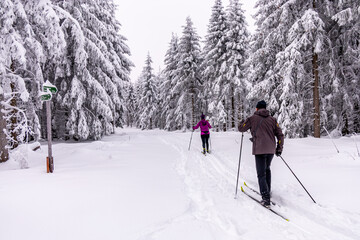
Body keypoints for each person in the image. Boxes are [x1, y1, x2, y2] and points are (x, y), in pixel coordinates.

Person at [238, 100, 284, 207]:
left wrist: (241, 122)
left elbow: (241, 129)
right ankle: (267, 191)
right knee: (267, 169)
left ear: (257, 108)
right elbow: (280, 135)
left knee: (261, 174)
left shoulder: (252, 119)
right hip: (271, 150)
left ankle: (266, 198)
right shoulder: (273, 119)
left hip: (259, 149)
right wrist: (279, 148)